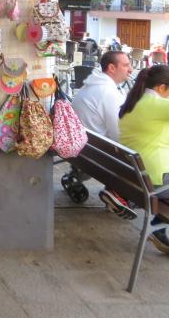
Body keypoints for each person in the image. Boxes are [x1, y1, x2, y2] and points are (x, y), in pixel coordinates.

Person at [71, 50, 134, 218]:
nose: (130, 70)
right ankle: (119, 193)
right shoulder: (108, 93)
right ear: (112, 68)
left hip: (84, 153)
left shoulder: (92, 85)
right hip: (99, 158)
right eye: (126, 65)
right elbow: (120, 135)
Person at [118, 65, 169, 253]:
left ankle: (158, 229)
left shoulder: (133, 104)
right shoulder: (157, 105)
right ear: (162, 87)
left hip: (134, 176)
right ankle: (158, 227)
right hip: (155, 179)